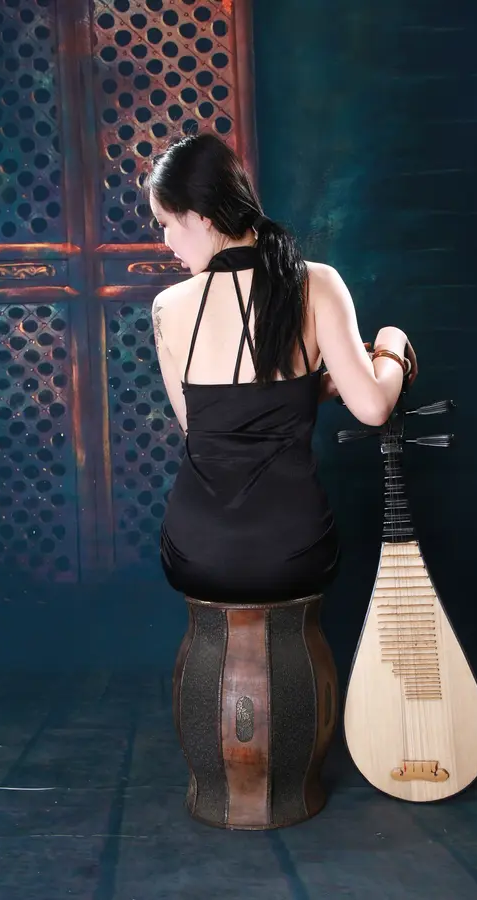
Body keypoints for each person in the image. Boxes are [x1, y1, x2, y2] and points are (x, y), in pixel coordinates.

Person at [145, 133, 417, 603]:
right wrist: (391, 342)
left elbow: (206, 429)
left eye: (165, 223)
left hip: (195, 552)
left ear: (201, 216)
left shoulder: (167, 307)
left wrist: (313, 390)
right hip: (293, 551)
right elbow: (374, 408)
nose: (165, 241)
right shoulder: (317, 282)